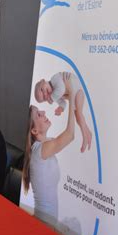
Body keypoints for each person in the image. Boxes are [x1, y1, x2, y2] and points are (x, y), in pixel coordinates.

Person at [23, 73, 75, 226]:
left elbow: (65, 137)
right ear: (34, 131)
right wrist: (71, 95)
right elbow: (70, 135)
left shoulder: (43, 147)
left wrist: (65, 95)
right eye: (39, 115)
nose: (44, 112)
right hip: (45, 226)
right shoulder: (41, 151)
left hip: (45, 223)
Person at [34, 71, 91, 152]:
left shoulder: (54, 79)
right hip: (74, 93)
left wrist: (52, 99)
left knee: (79, 114)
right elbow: (62, 102)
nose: (46, 94)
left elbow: (62, 89)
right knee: (78, 117)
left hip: (78, 89)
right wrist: (61, 108)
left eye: (42, 90)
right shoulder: (54, 93)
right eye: (44, 98)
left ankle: (85, 137)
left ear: (43, 81)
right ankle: (88, 132)